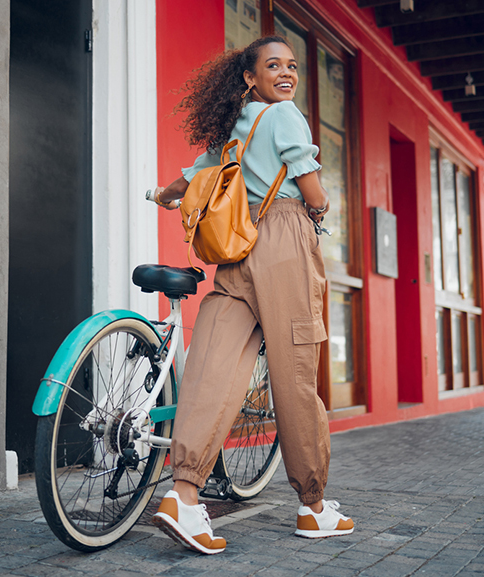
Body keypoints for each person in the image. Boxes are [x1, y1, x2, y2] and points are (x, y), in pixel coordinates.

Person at [149, 35, 353, 555]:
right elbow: (313, 192)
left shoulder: (233, 132)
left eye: (291, 66)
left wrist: (160, 195)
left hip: (236, 254)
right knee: (296, 373)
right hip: (284, 242)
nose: (287, 74)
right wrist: (323, 204)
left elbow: (186, 181)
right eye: (273, 65)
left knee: (214, 367)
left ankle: (185, 495)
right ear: (250, 77)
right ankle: (312, 506)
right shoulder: (285, 116)